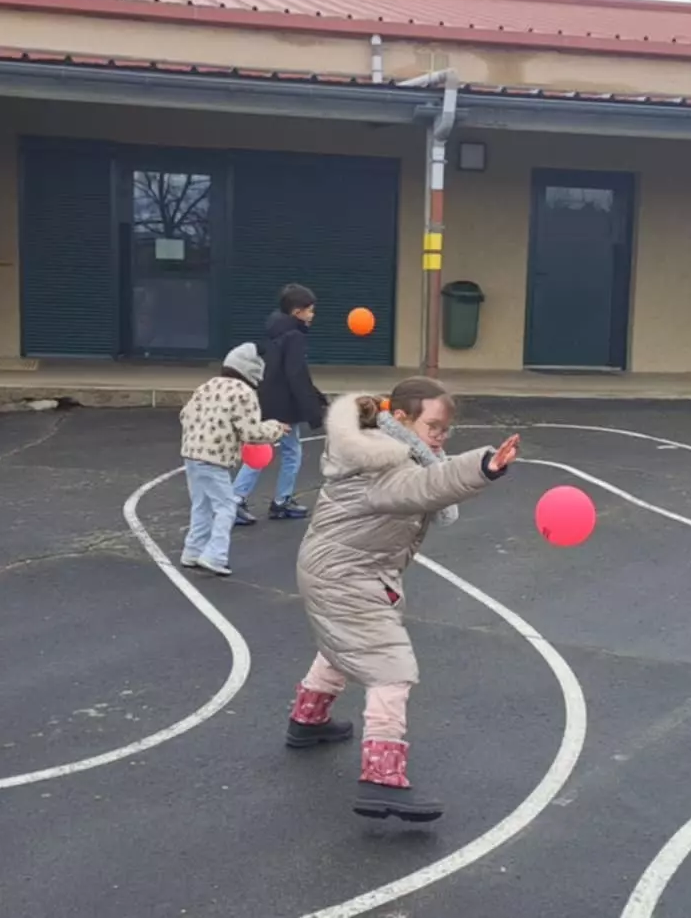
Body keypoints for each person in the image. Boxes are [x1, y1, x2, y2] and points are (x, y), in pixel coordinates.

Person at [284, 377, 520, 822]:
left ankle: (307, 721)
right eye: (434, 426)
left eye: (446, 429)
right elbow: (425, 486)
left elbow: (427, 477)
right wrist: (484, 466)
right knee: (391, 666)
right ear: (402, 419)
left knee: (344, 645)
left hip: (349, 567)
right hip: (346, 573)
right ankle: (381, 780)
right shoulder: (384, 463)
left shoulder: (389, 449)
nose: (441, 437)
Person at [178, 343, 289, 577]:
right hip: (215, 457)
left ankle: (193, 551)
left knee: (202, 505)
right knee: (226, 506)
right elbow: (251, 432)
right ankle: (215, 555)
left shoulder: (207, 386)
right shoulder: (244, 393)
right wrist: (276, 428)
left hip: (191, 453)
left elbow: (184, 414)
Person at [233, 282, 327, 526]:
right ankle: (249, 500)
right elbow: (295, 374)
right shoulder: (294, 336)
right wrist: (313, 410)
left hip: (269, 398)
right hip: (283, 404)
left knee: (268, 450)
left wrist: (315, 396)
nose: (313, 315)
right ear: (297, 312)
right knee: (283, 452)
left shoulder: (276, 330)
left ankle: (255, 500)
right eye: (310, 310)